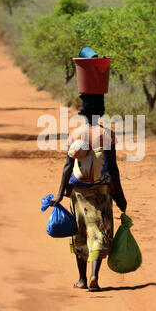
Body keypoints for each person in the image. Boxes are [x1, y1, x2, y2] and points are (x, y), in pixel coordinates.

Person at [51, 93, 127, 291]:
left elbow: (68, 166)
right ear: (101, 113)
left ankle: (82, 279)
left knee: (80, 234)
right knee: (99, 232)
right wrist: (120, 195)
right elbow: (113, 168)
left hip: (78, 193)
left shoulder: (76, 134)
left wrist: (60, 193)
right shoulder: (107, 135)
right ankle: (94, 276)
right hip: (101, 192)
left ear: (83, 115)